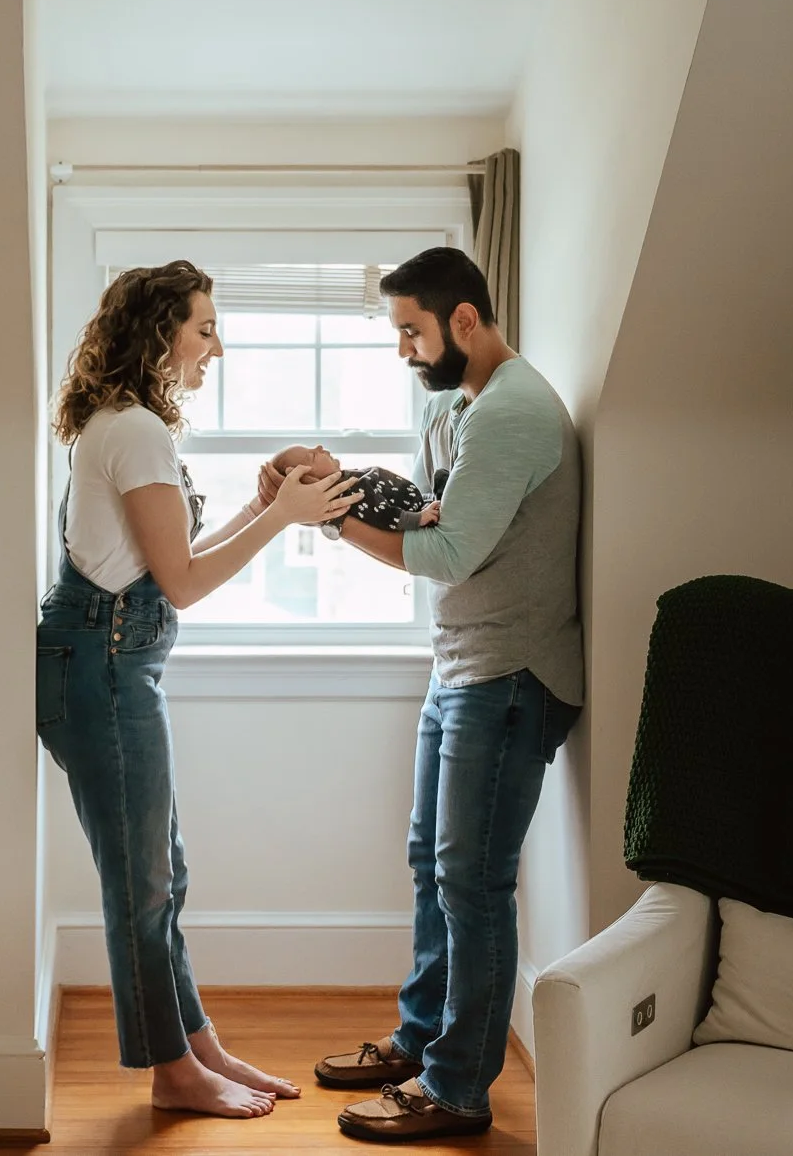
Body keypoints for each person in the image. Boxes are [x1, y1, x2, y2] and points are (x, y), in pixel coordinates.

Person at [267, 246, 584, 1143]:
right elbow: (422, 514)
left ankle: (455, 1090)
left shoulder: (515, 413)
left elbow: (443, 552)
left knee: (472, 881)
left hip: (512, 673)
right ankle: (420, 1039)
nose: (403, 348)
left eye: (411, 329)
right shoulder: (455, 404)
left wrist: (330, 519)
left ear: (466, 320)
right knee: (431, 865)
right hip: (462, 663)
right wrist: (336, 483)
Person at [39, 260, 363, 1119]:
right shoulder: (135, 430)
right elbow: (181, 583)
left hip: (108, 663)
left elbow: (160, 561)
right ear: (161, 333)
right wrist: (283, 517)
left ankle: (196, 1044)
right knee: (142, 881)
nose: (217, 345)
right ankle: (172, 1073)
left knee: (162, 873)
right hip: (103, 667)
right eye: (205, 327)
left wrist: (265, 508)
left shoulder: (128, 425)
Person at [264, 444, 442, 534]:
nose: (319, 447)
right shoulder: (349, 495)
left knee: (442, 477)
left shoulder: (347, 480)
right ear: (311, 481)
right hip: (414, 514)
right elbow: (384, 515)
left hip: (420, 500)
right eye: (312, 455)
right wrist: (419, 518)